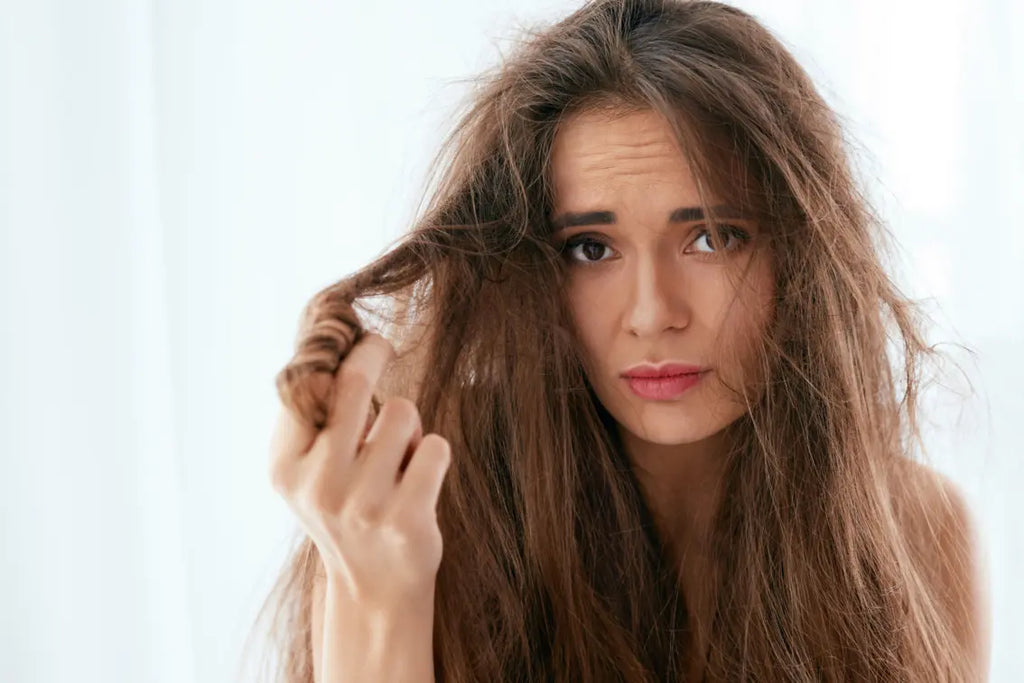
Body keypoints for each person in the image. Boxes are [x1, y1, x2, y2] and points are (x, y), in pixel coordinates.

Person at [250, 0, 991, 680]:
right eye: (591, 248)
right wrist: (379, 592)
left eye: (711, 238)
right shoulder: (412, 516)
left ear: (801, 256)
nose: (651, 314)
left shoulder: (913, 532)